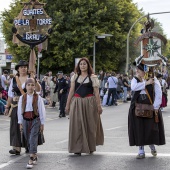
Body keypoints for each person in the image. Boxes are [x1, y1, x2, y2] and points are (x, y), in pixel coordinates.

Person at [65, 57, 104, 155]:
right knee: (76, 125)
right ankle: (77, 148)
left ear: (88, 65)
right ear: (78, 66)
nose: (82, 66)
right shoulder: (75, 77)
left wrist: (99, 106)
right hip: (77, 102)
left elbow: (96, 93)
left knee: (90, 125)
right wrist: (67, 105)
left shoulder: (93, 77)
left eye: (84, 64)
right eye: (81, 64)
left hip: (90, 102)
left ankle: (90, 147)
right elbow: (71, 92)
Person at [128, 62, 165, 159]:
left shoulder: (154, 79)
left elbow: (158, 93)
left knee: (150, 129)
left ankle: (151, 145)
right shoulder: (135, 79)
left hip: (150, 107)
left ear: (144, 71)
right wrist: (146, 83)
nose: (137, 71)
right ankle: (141, 151)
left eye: (139, 70)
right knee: (139, 129)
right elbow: (133, 87)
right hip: (137, 107)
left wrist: (156, 107)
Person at [4, 60, 41, 155]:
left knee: (29, 126)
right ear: (18, 69)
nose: (23, 68)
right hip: (16, 105)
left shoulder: (31, 78)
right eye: (21, 67)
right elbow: (10, 94)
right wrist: (7, 107)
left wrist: (35, 80)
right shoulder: (14, 80)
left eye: (25, 67)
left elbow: (38, 90)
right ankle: (16, 148)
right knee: (16, 126)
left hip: (29, 105)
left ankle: (29, 145)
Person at [17, 78, 46, 169]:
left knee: (33, 137)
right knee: (28, 138)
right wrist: (20, 122)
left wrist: (42, 123)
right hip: (25, 119)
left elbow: (41, 110)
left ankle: (31, 157)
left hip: (35, 119)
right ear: (25, 86)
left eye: (32, 85)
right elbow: (20, 110)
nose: (30, 87)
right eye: (28, 85)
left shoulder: (38, 97)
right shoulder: (22, 97)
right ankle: (34, 154)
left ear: (34, 86)